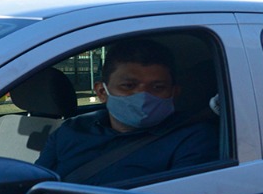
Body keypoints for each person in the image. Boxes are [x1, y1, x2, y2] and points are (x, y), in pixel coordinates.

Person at [36, 38, 219, 185]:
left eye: (157, 87)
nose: (143, 95)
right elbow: (33, 185)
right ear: (102, 92)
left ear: (174, 92)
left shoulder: (194, 138)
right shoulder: (71, 130)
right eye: (128, 86)